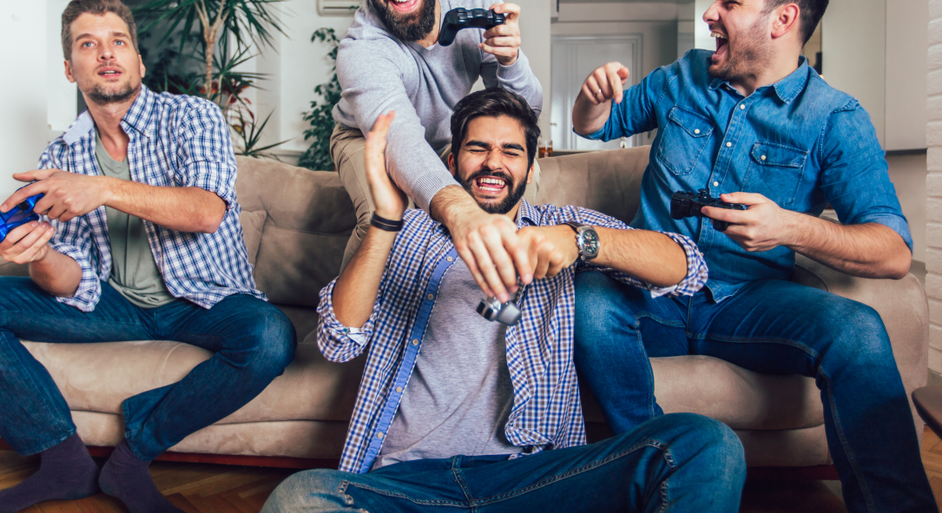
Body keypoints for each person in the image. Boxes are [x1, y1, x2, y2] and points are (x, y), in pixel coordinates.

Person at [571, 0, 937, 513]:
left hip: (749, 305)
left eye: (730, 2)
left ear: (782, 19)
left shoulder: (835, 118)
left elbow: (892, 252)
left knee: (859, 329)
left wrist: (791, 228)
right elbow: (597, 125)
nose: (710, 14)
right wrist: (590, 102)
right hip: (652, 290)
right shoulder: (685, 76)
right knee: (589, 297)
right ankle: (654, 469)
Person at [263, 88, 745, 513]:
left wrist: (582, 241)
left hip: (533, 478)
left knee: (706, 444)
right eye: (478, 149)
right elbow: (337, 341)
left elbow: (688, 268)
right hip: (406, 483)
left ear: (533, 167)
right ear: (450, 165)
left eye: (511, 151)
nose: (494, 162)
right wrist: (385, 220)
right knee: (300, 497)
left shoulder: (562, 224)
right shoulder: (407, 232)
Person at [0, 0, 296, 513]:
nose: (106, 53)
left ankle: (132, 455)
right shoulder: (61, 156)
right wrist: (36, 252)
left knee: (270, 337)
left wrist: (100, 188)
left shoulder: (193, 117)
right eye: (88, 44)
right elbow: (68, 281)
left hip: (203, 299)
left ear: (138, 60)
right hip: (113, 303)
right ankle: (62, 461)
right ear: (69, 68)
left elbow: (206, 211)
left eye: (117, 41)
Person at [332, 0, 544, 299]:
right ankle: (353, 328)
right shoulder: (360, 50)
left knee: (522, 190)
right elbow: (402, 142)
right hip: (368, 136)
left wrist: (510, 61)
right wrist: (461, 212)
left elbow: (525, 117)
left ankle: (512, 314)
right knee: (384, 212)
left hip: (450, 133)